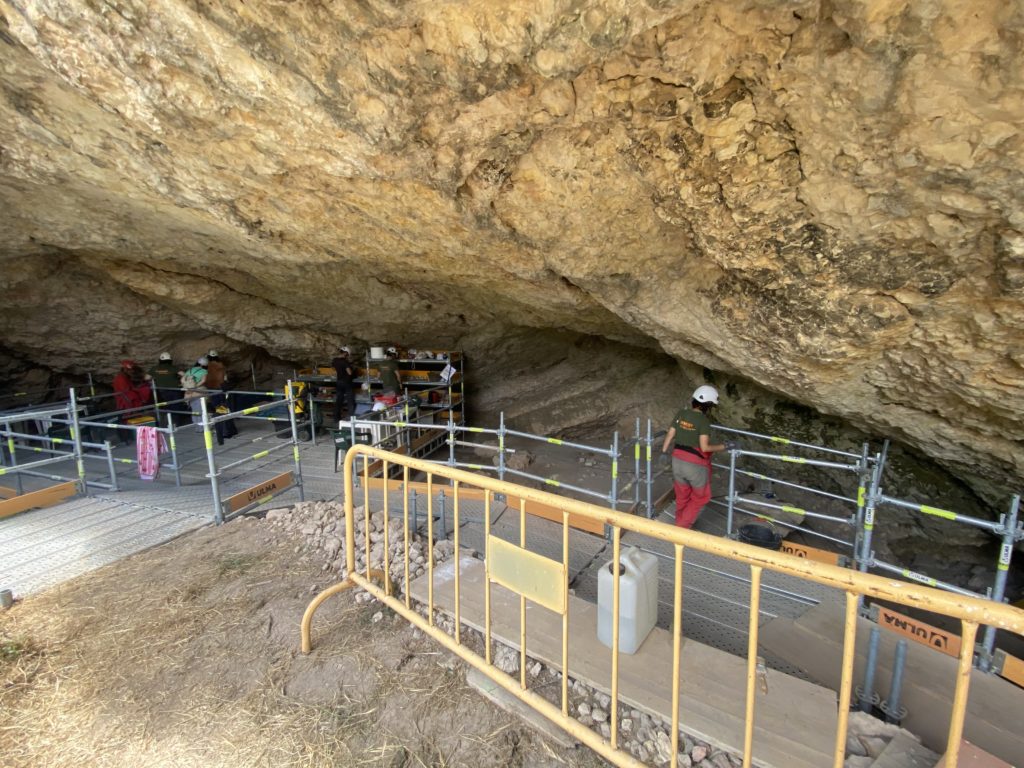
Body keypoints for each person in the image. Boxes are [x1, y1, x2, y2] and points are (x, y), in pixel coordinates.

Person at [660, 385, 737, 529]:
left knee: (682, 494)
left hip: (677, 460)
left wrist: (664, 452)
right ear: (707, 406)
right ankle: (681, 527)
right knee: (701, 497)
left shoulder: (681, 414)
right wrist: (725, 446)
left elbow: (670, 434)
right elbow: (705, 448)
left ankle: (679, 520)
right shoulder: (703, 422)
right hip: (694, 465)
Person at [205, 350, 237, 443]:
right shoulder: (221, 365)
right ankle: (230, 430)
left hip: (213, 390)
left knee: (218, 410)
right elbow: (225, 378)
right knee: (224, 409)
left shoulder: (207, 367)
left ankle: (224, 431)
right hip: (222, 390)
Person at [149, 353, 187, 425]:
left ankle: (169, 423)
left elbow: (146, 377)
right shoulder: (173, 368)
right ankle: (176, 423)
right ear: (170, 360)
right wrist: (182, 381)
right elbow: (185, 375)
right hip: (175, 391)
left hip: (163, 391)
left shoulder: (154, 368)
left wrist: (156, 377)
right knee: (176, 407)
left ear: (160, 360)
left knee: (167, 407)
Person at [181, 356, 209, 430]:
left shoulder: (190, 370)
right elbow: (203, 381)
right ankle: (202, 428)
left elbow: (182, 379)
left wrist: (188, 386)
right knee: (201, 410)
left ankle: (196, 427)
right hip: (199, 392)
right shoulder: (204, 371)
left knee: (194, 410)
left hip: (189, 393)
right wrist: (195, 386)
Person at [332, 345, 356, 423]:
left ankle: (336, 418)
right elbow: (349, 372)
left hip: (339, 382)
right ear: (345, 353)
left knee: (339, 400)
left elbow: (334, 370)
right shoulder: (345, 362)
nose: (348, 356)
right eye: (347, 354)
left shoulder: (335, 360)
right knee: (350, 400)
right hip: (347, 382)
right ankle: (352, 418)